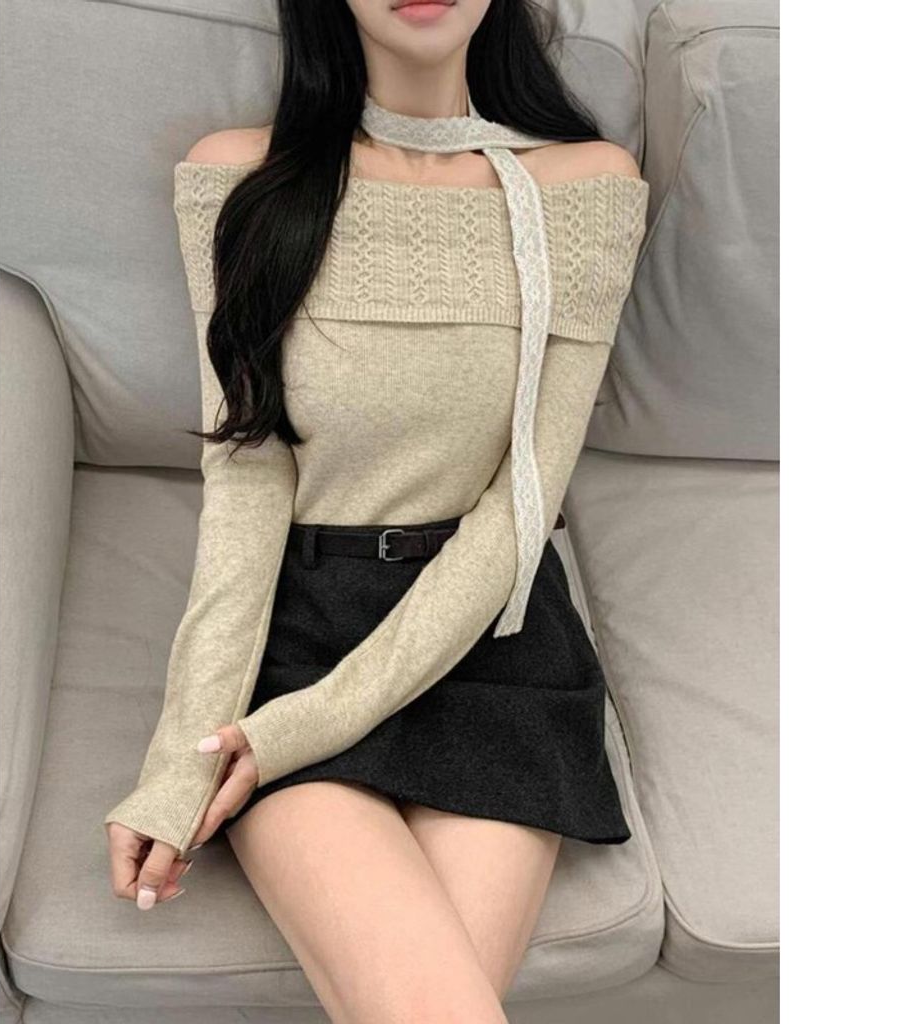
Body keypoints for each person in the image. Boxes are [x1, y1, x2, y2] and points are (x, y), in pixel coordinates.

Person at [104, 0, 648, 1018]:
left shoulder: (586, 186)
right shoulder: (241, 178)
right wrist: (180, 764)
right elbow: (247, 479)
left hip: (493, 637)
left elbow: (522, 503)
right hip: (300, 631)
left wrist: (302, 730)